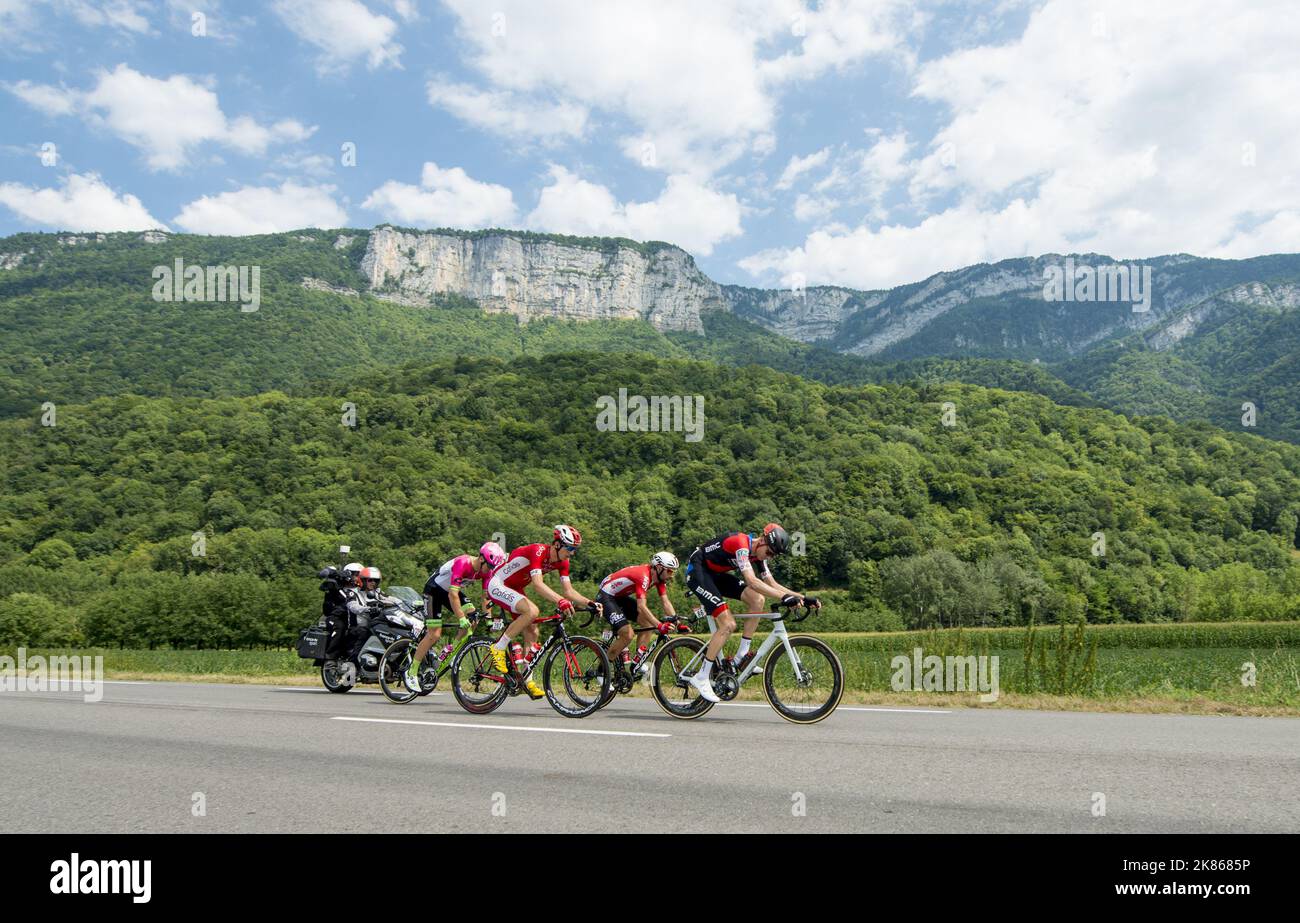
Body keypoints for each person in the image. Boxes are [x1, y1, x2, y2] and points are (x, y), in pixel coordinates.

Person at [683, 523, 820, 703]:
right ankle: (701, 676)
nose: (770, 557)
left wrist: (802, 597)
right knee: (728, 624)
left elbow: (772, 584)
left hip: (714, 575)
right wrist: (784, 597)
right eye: (770, 553)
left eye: (774, 556)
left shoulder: (758, 556)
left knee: (757, 600)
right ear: (762, 541)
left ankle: (741, 657)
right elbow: (752, 581)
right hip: (698, 573)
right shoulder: (741, 544)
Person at [485, 525, 600, 699]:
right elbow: (538, 585)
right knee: (532, 611)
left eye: (574, 549)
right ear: (557, 544)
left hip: (515, 588)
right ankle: (498, 648)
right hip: (498, 584)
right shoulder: (539, 551)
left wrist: (590, 602)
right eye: (569, 548)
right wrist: (559, 600)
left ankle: (526, 680)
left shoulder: (563, 562)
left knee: (532, 631)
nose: (572, 553)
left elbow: (568, 591)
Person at [403, 542, 507, 693]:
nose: (489, 571)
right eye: (489, 567)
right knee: (434, 634)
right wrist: (461, 618)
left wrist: (490, 619)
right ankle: (411, 671)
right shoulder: (463, 563)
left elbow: (486, 596)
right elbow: (453, 595)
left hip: (451, 592)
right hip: (434, 591)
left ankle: (451, 651)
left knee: (473, 617)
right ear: (481, 559)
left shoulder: (486, 572)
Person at [596, 552, 681, 679]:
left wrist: (678, 623)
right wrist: (659, 625)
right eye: (669, 571)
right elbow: (641, 607)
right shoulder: (644, 576)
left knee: (648, 625)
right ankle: (601, 672)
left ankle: (638, 662)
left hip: (619, 597)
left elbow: (665, 602)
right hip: (606, 597)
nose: (671, 575)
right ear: (658, 567)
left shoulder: (659, 578)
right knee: (627, 634)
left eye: (673, 572)